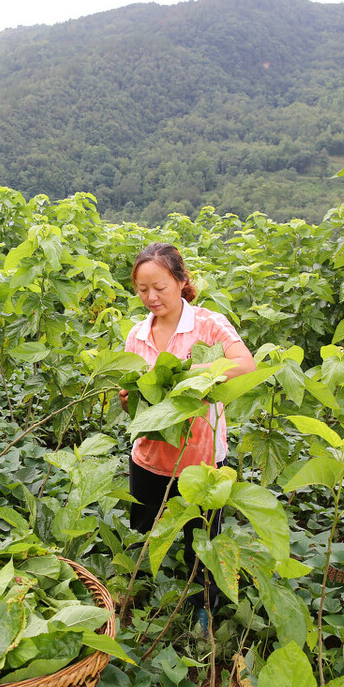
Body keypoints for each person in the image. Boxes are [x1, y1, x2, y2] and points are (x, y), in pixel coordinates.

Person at [119, 242, 256, 624]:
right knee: (147, 532)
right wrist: (130, 396)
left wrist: (189, 374)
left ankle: (204, 609)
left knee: (203, 542)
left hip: (200, 458)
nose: (151, 297)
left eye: (160, 287)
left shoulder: (208, 325)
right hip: (149, 455)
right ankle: (149, 598)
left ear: (181, 281)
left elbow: (246, 365)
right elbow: (141, 401)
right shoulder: (137, 334)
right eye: (143, 289)